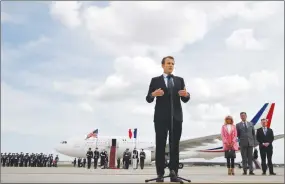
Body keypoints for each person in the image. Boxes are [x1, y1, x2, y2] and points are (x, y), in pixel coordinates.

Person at [146, 56, 190, 182]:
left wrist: (186, 95)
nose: (171, 65)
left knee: (175, 145)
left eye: (172, 63)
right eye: (168, 63)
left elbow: (185, 98)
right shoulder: (155, 81)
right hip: (160, 118)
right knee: (160, 145)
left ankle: (173, 173)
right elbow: (148, 98)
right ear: (163, 65)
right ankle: (160, 174)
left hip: (176, 118)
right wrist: (153, 94)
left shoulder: (179, 80)